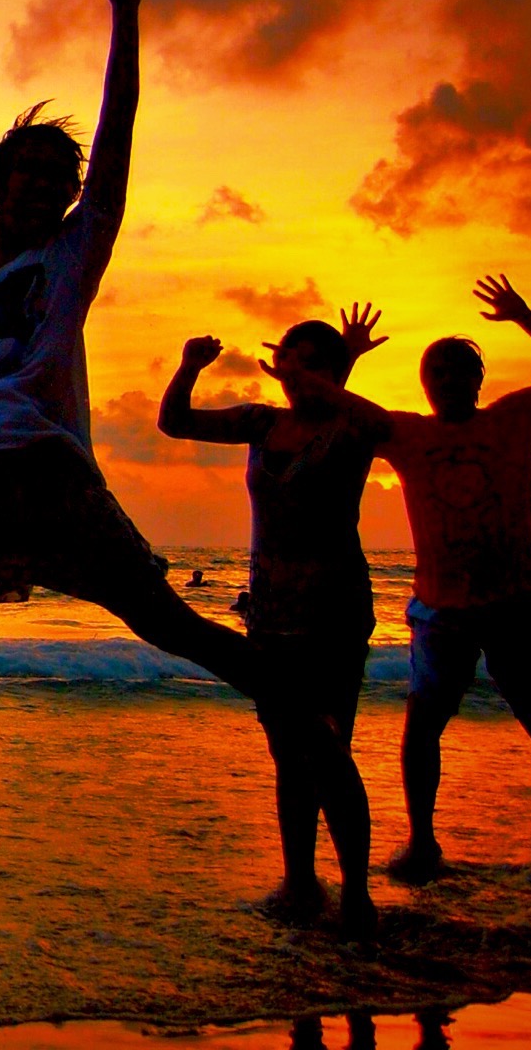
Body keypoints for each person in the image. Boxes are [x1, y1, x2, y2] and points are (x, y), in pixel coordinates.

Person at [0, 0, 361, 867]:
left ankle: (296, 707)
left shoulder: (77, 248)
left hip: (59, 486)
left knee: (169, 626)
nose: (38, 185)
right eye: (24, 172)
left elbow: (115, 138)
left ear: (71, 195)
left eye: (53, 176)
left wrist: (126, 20)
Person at [159, 308, 389, 931]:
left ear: (333, 372)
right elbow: (175, 422)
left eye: (311, 364)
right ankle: (300, 883)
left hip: (335, 614)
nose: (296, 374)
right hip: (269, 613)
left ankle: (357, 895)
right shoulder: (262, 423)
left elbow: (385, 426)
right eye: (290, 360)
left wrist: (337, 373)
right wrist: (189, 366)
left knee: (329, 748)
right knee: (289, 753)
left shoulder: (351, 426)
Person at [376, 276, 531, 891]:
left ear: (479, 380)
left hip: (515, 601)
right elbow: (340, 412)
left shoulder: (512, 420)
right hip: (441, 607)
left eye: (460, 372)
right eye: (437, 373)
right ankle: (422, 843)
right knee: (423, 724)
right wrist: (346, 357)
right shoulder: (406, 434)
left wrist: (524, 316)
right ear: (423, 383)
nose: (448, 381)